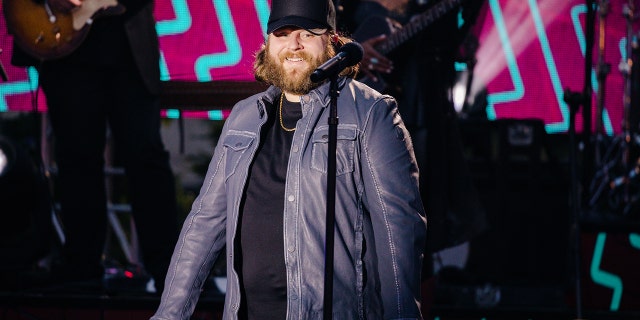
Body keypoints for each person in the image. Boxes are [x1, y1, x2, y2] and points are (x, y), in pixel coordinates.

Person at [151, 0, 427, 318]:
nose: (293, 45)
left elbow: (399, 229)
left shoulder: (370, 113)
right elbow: (204, 225)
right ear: (268, 44)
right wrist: (168, 315)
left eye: (306, 33)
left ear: (332, 42)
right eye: (282, 34)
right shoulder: (244, 117)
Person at [8, 0, 179, 292]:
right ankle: (81, 263)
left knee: (145, 156)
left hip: (127, 42)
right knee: (77, 159)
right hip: (63, 40)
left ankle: (170, 271)